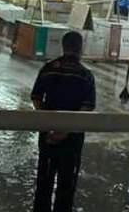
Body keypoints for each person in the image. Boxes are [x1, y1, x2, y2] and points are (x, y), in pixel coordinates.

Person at [31, 31, 96, 212]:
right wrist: (66, 130)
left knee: (44, 182)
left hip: (48, 137)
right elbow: (87, 107)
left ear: (63, 46)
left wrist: (50, 126)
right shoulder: (85, 75)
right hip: (72, 140)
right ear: (80, 48)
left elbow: (36, 97)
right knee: (66, 187)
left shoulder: (48, 68)